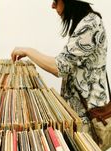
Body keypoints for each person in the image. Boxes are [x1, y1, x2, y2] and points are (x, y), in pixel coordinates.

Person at [11, 0, 109, 137]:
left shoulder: (90, 25)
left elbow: (59, 67)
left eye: (56, 1)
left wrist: (28, 51)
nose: (52, 6)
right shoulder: (85, 22)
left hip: (88, 117)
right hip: (80, 114)